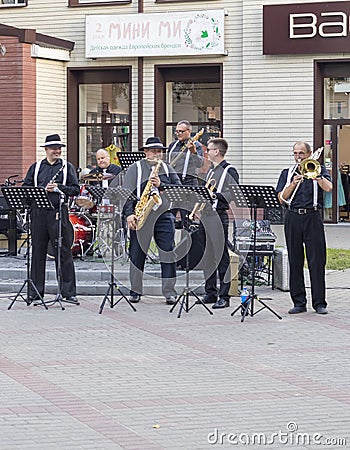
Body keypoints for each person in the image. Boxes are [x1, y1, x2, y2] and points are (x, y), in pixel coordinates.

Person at [122, 137, 181, 305]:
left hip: (163, 215)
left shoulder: (168, 169)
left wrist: (162, 185)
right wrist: (129, 214)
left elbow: (178, 191)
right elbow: (127, 193)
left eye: (159, 151)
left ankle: (169, 292)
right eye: (153, 151)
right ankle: (135, 291)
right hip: (141, 215)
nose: (156, 154)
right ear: (145, 152)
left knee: (167, 253)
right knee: (136, 253)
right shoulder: (135, 169)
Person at [276, 141, 332, 315]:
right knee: (295, 259)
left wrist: (316, 176)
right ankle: (299, 302)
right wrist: (293, 183)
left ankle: (319, 303)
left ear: (309, 154)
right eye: (295, 153)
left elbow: (329, 188)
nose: (298, 157)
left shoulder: (319, 170)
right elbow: (281, 198)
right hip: (292, 216)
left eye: (301, 153)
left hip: (313, 216)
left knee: (317, 260)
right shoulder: (287, 173)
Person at [22, 134, 80, 303]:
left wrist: (59, 188)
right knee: (38, 252)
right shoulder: (36, 167)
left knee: (63, 252)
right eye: (54, 148)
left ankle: (68, 292)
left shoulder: (67, 167)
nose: (57, 151)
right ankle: (35, 292)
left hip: (57, 213)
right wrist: (41, 189)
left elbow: (75, 189)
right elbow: (26, 188)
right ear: (46, 150)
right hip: (38, 214)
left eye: (59, 148)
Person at [198, 138, 239, 309]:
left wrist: (216, 196)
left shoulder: (230, 171)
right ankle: (210, 292)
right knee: (207, 256)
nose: (207, 152)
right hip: (205, 215)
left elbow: (234, 194)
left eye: (209, 149)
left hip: (218, 215)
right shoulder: (210, 171)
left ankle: (225, 295)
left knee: (221, 256)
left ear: (217, 151)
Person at [168, 120, 204, 227]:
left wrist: (193, 152)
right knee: (169, 217)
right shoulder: (172, 145)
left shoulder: (196, 145)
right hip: (174, 184)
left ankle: (187, 242)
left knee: (187, 218)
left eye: (181, 131)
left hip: (187, 183)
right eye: (177, 131)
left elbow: (199, 164)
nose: (178, 133)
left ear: (189, 131)